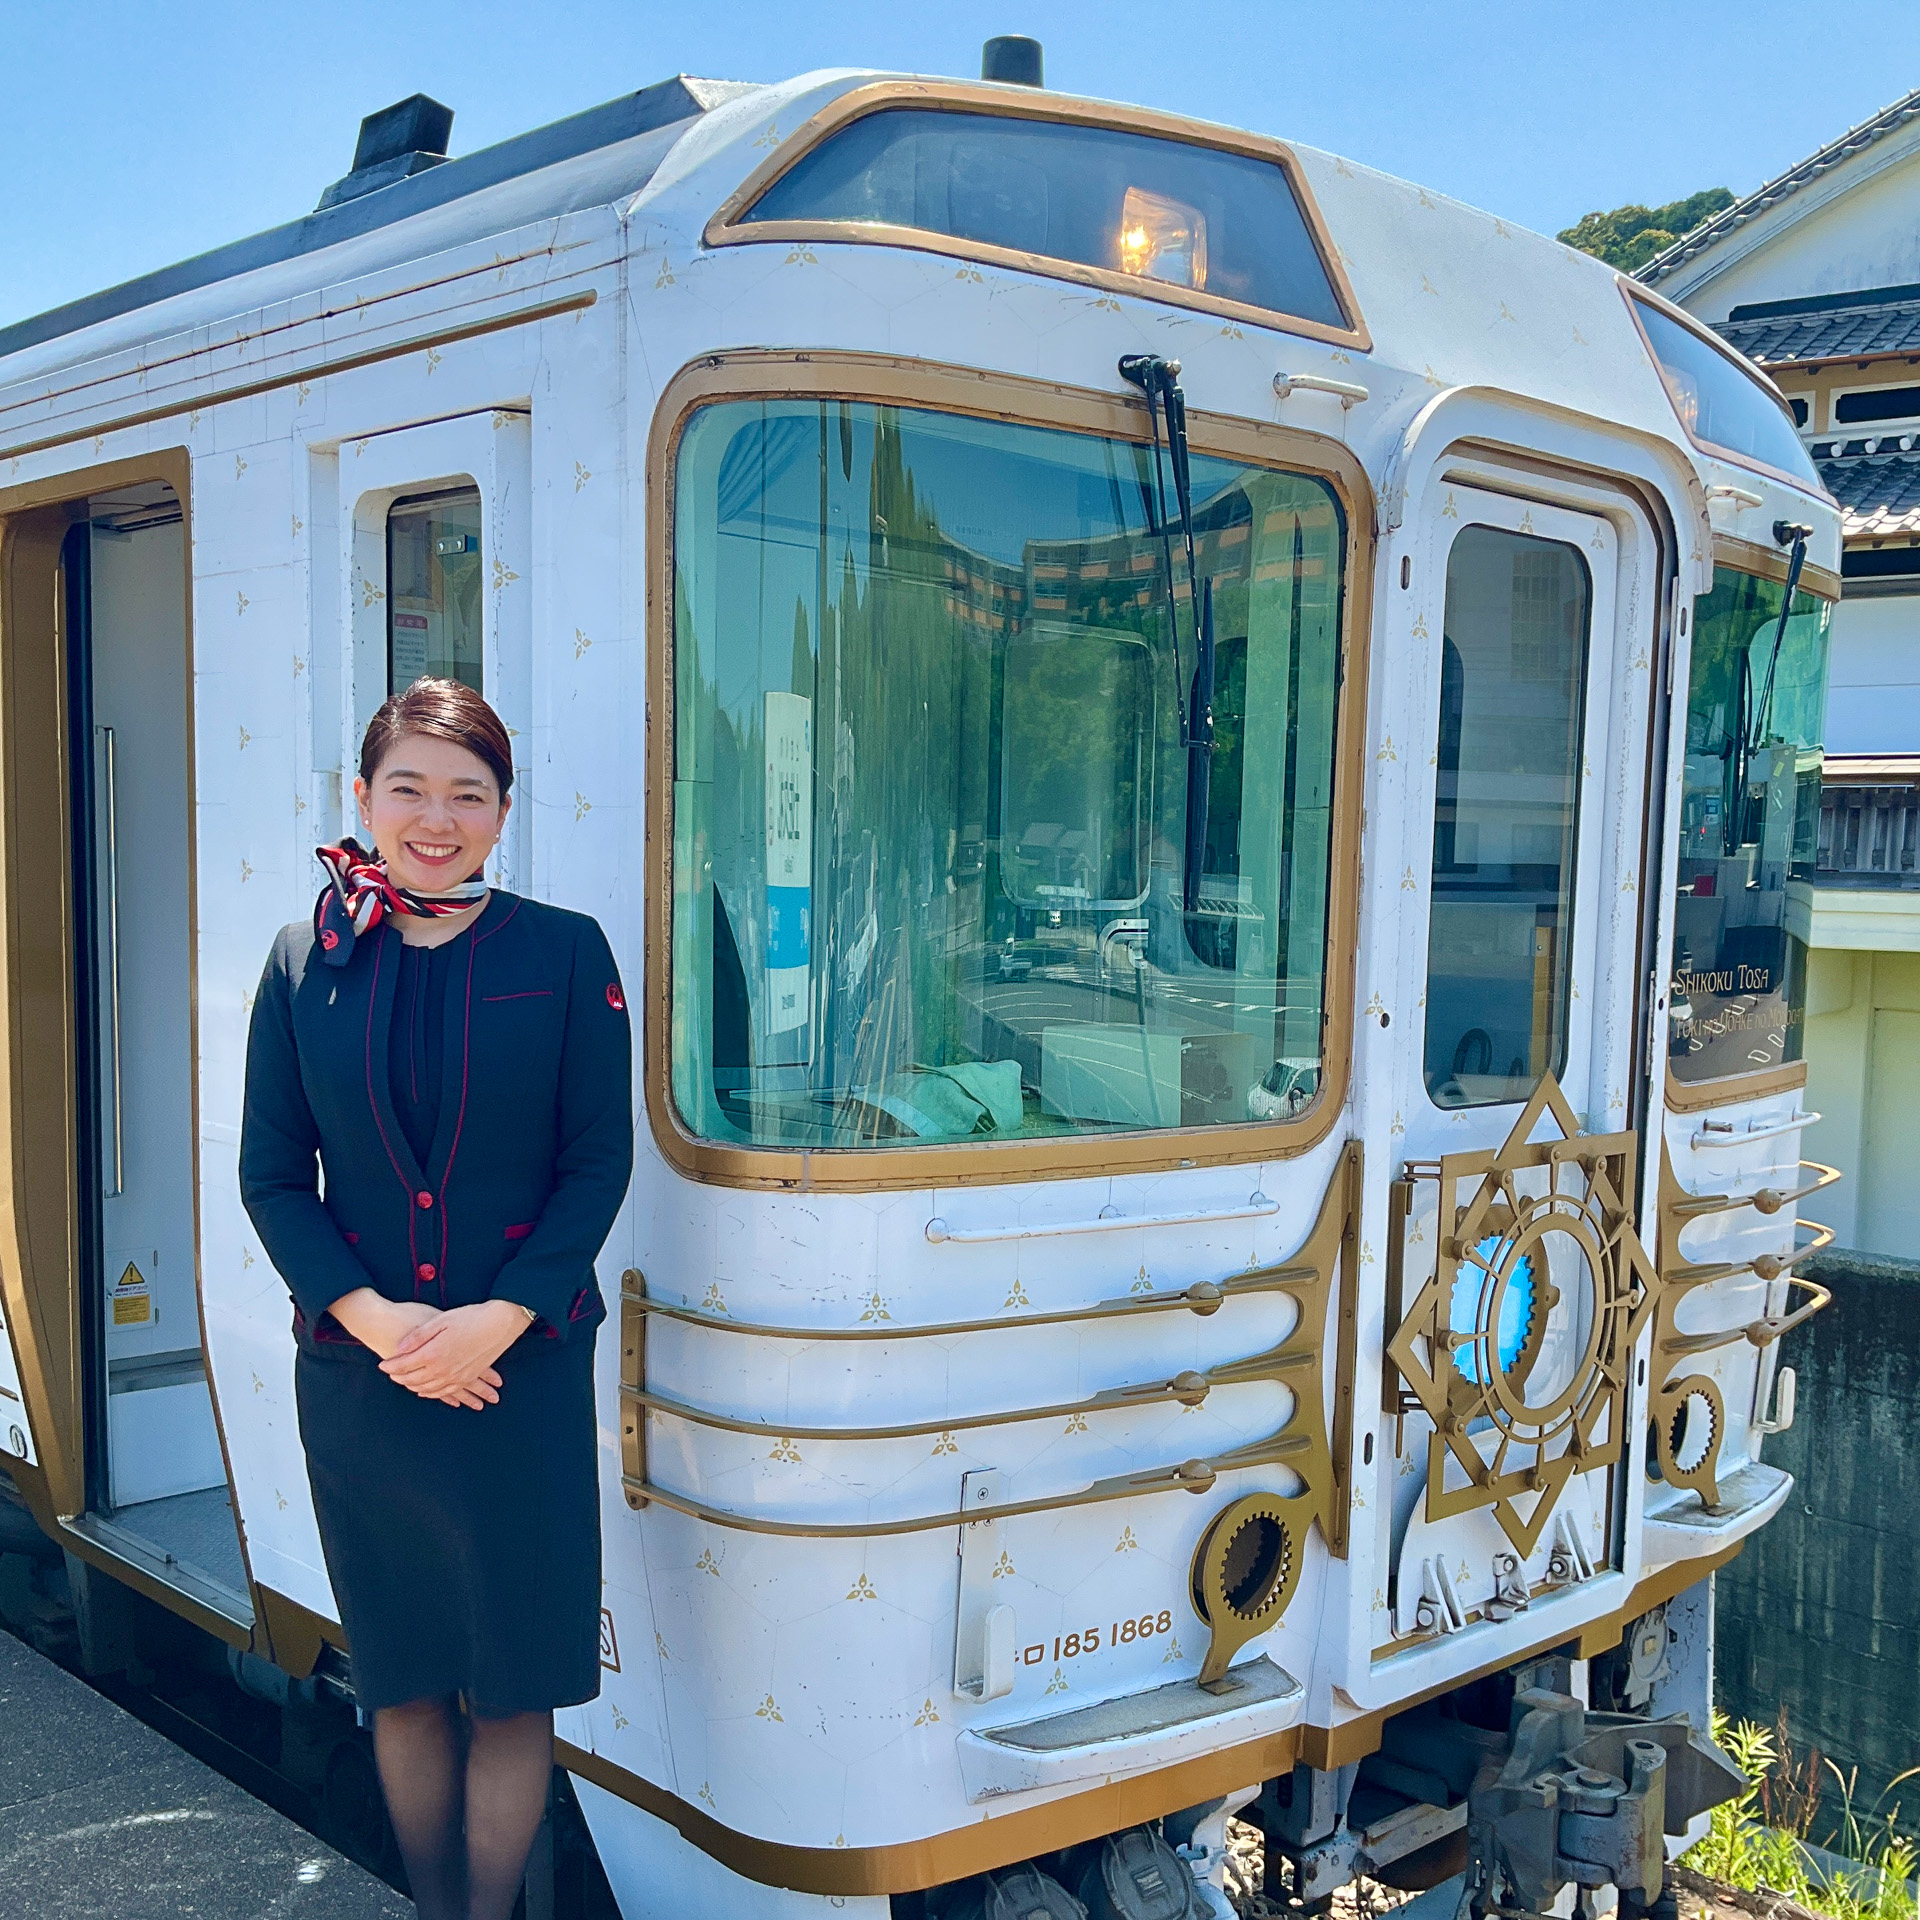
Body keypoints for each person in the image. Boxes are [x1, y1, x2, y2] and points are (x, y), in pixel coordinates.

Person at [240, 677, 632, 1920]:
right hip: (367, 1385)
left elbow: (596, 1164)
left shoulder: (564, 952)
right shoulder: (305, 960)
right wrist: (383, 1325)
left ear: (504, 813)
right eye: (407, 787)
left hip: (519, 1380)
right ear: (362, 798)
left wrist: (494, 1321)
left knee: (511, 1686)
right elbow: (270, 1174)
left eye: (468, 793)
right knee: (402, 1679)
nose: (435, 816)